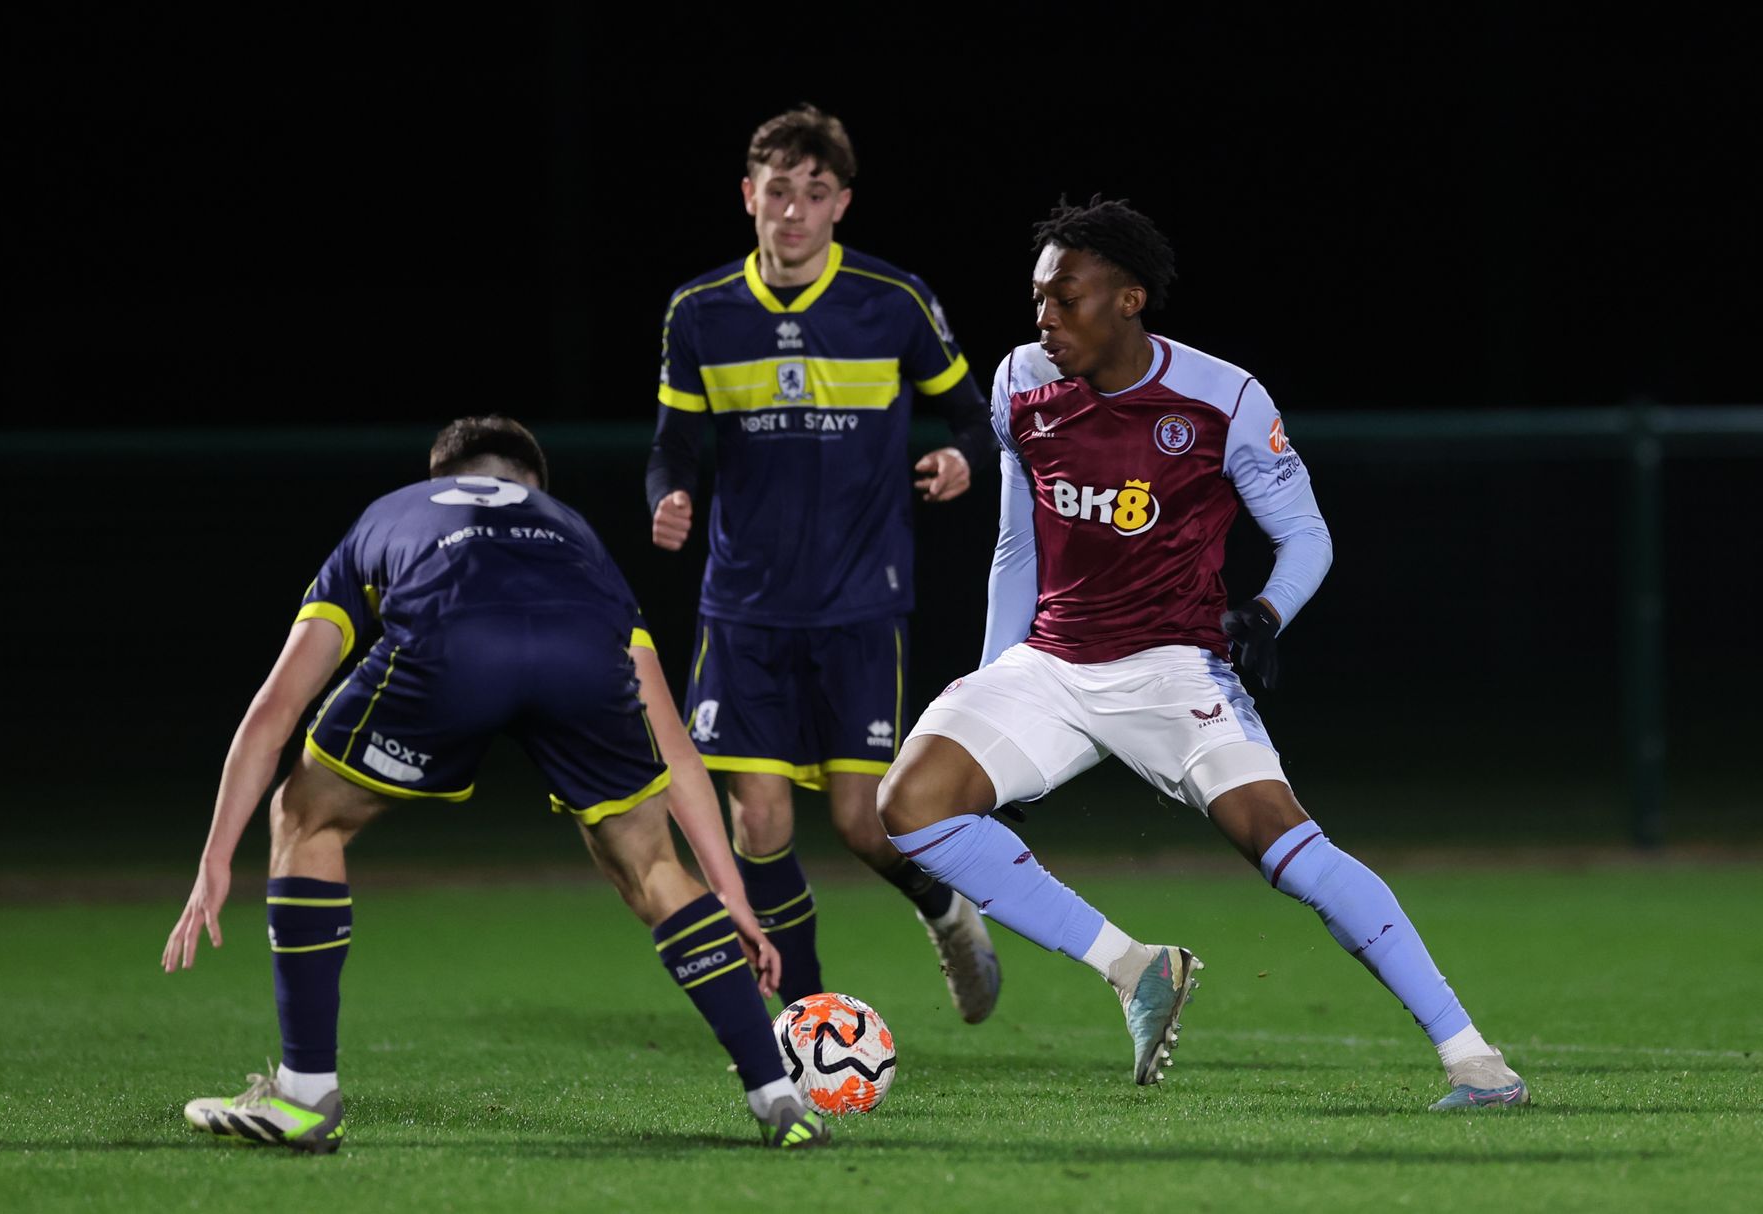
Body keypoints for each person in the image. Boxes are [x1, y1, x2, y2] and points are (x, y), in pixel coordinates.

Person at [876, 197, 1530, 1111]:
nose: (1044, 319)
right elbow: (1016, 546)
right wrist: (992, 680)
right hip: (1053, 664)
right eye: (1037, 300)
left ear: (1131, 299)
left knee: (1285, 846)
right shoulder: (1020, 382)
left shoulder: (1223, 398)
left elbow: (1307, 535)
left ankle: (1475, 1060)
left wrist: (1263, 611)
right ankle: (1134, 967)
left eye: (1066, 298)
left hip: (1174, 668)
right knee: (910, 806)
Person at [161, 416, 831, 1151]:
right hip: (581, 657)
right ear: (532, 487)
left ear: (438, 476)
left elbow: (274, 709)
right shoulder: (572, 533)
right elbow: (672, 743)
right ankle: (777, 1097)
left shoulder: (392, 515)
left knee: (306, 816)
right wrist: (733, 895)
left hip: (454, 646)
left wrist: (217, 854)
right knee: (651, 866)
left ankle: (305, 1092)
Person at [645, 105, 1001, 1021]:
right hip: (744, 608)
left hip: (857, 601)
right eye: (777, 191)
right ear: (748, 197)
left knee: (861, 822)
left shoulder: (893, 301)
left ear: (841, 202)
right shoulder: (701, 312)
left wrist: (963, 458)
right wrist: (668, 498)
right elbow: (673, 448)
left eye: (814, 193)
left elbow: (973, 420)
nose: (793, 211)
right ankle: (807, 1020)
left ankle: (945, 908)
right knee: (756, 818)